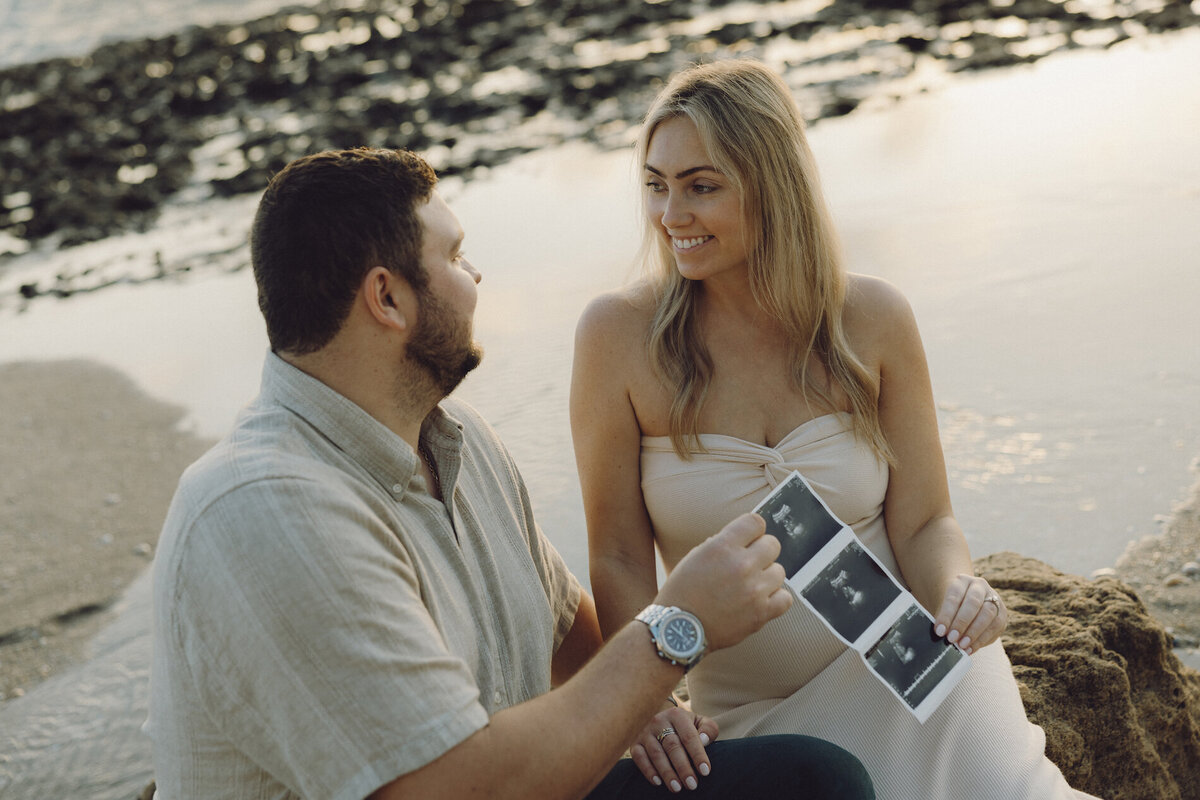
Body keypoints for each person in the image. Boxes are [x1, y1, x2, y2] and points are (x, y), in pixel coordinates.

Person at [147, 147, 876, 800]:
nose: (476, 275)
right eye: (456, 256)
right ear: (388, 298)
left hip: (525, 782)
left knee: (814, 781)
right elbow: (446, 787)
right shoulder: (266, 510)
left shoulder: (456, 438)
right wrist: (676, 629)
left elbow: (565, 630)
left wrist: (647, 711)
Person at [570, 60, 1101, 799]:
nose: (670, 215)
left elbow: (925, 522)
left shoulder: (874, 319)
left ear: (773, 184)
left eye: (702, 185)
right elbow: (621, 558)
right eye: (656, 185)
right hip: (758, 718)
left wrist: (957, 588)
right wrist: (648, 700)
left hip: (917, 665)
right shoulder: (617, 337)